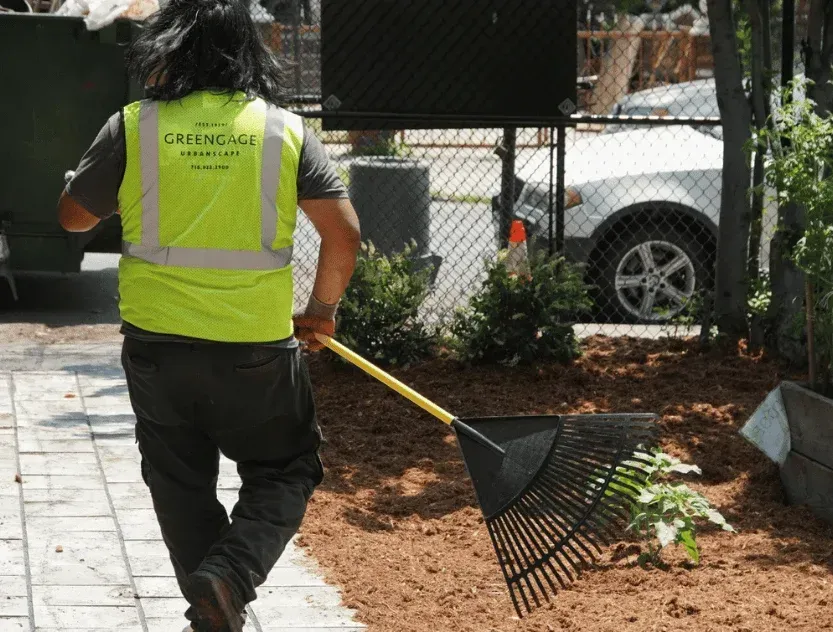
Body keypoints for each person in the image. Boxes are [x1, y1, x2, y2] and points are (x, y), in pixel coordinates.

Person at [57, 0, 360, 629]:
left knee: (179, 484)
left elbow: (74, 218)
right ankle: (227, 580)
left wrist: (86, 185)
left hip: (157, 349)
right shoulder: (284, 130)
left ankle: (216, 600)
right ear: (248, 49)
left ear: (169, 47)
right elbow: (344, 234)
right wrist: (321, 312)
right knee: (287, 468)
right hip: (256, 349)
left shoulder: (133, 127)